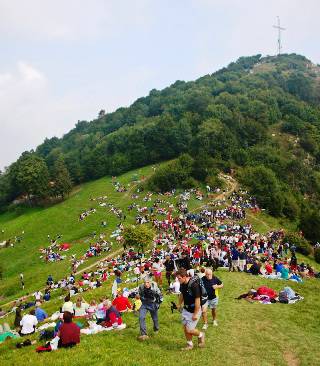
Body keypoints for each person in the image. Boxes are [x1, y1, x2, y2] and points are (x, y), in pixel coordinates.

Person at [176, 268, 205, 350]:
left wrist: (195, 314)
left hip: (195, 309)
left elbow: (197, 300)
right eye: (177, 278)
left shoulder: (194, 285)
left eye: (179, 278)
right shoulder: (182, 283)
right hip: (186, 309)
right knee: (185, 328)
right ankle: (189, 344)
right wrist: (179, 304)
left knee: (190, 330)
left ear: (184, 276)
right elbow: (182, 294)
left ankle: (201, 335)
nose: (178, 280)